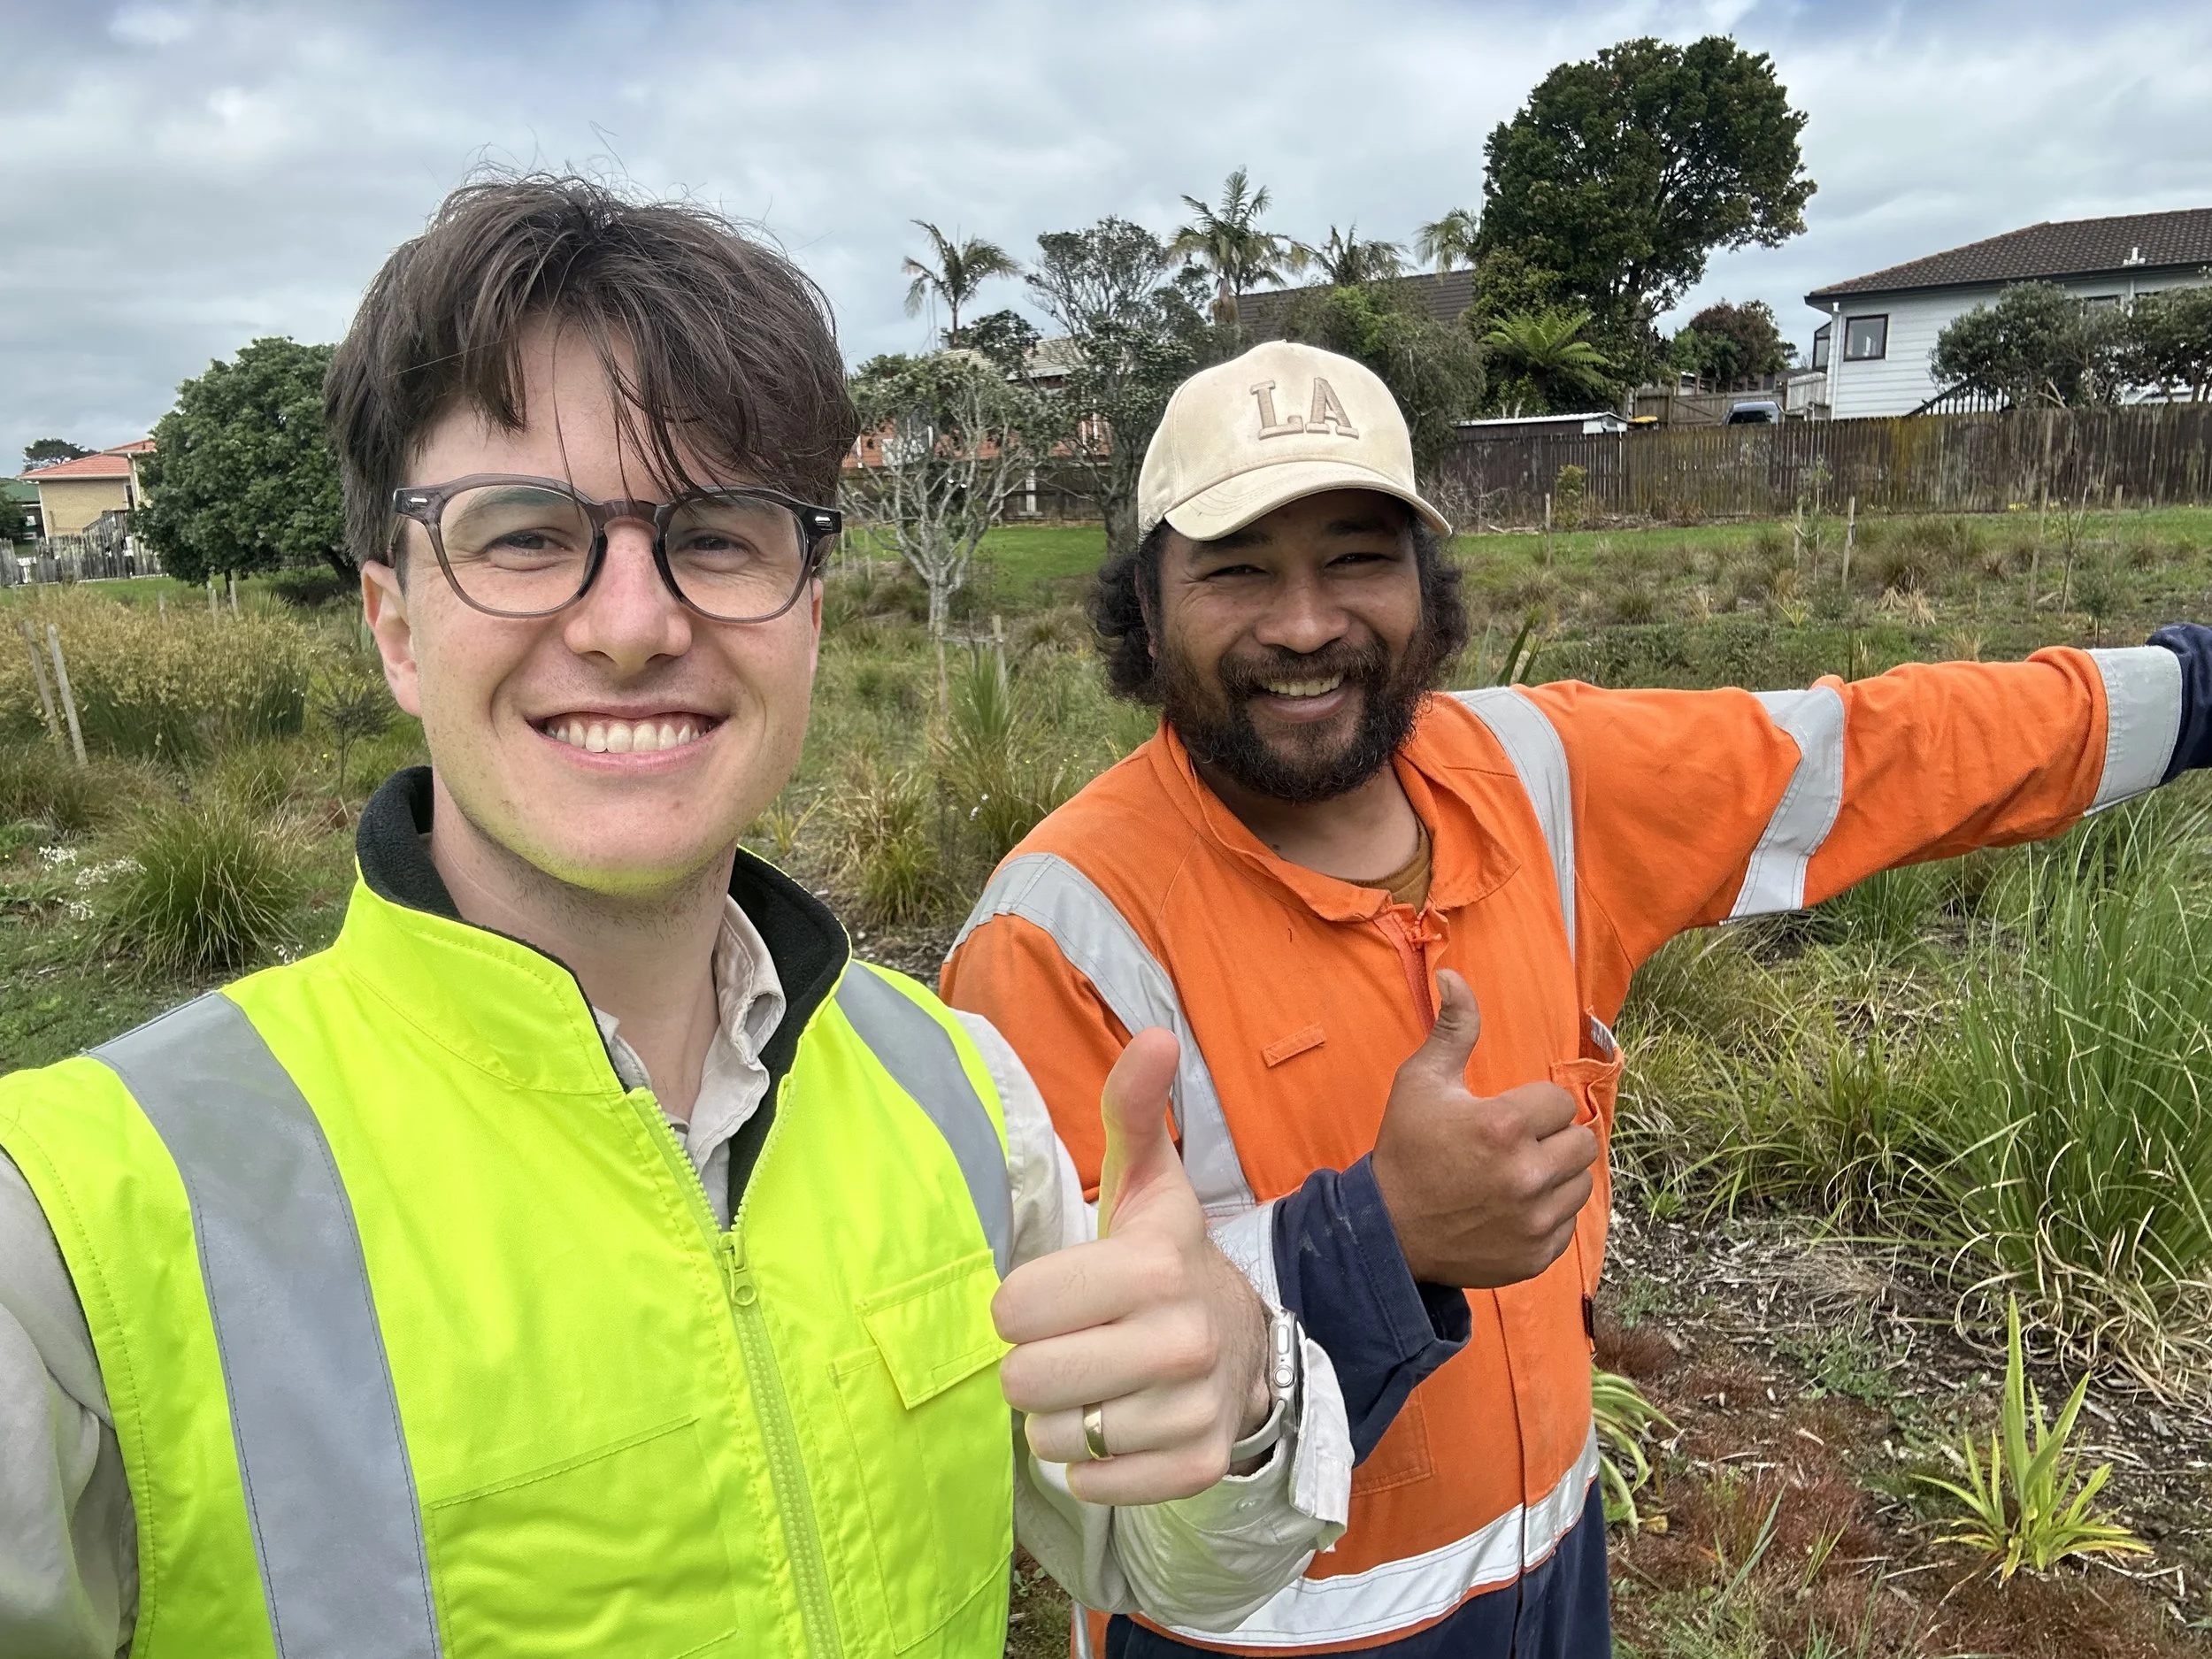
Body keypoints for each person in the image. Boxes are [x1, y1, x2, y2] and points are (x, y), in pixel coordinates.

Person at [0, 181, 1358, 1659]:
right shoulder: (73, 1229)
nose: (633, 622)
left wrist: (1240, 1396)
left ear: (812, 619)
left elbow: (1176, 1566)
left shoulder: (959, 1095)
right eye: (523, 534)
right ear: (395, 623)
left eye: (718, 535)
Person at [941, 338, 2212, 1656]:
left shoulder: (1536, 769)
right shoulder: (1058, 930)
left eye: (1359, 557)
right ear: (1147, 608)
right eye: (1239, 567)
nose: (1307, 621)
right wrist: (1379, 1238)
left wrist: (2192, 688)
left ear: (1428, 590)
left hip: (1554, 1567)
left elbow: (1886, 752)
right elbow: (1064, 1399)